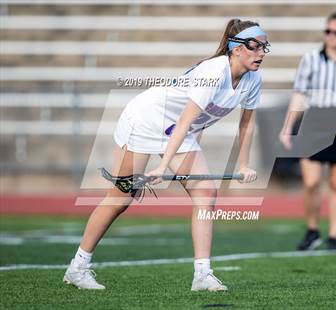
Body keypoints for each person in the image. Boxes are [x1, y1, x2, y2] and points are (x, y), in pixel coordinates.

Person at [63, 18, 269, 290]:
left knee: (205, 192)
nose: (261, 53)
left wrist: (244, 163)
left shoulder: (253, 80)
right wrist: (163, 167)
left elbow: (246, 123)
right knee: (122, 197)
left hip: (177, 131)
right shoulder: (214, 72)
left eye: (265, 47)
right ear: (236, 48)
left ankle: (202, 275)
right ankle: (78, 268)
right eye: (255, 47)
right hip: (147, 119)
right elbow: (186, 120)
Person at [279, 12, 336, 250]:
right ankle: (312, 230)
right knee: (310, 182)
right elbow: (299, 94)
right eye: (328, 31)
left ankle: (333, 236)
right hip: (315, 119)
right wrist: (288, 127)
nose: (331, 36)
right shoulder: (310, 59)